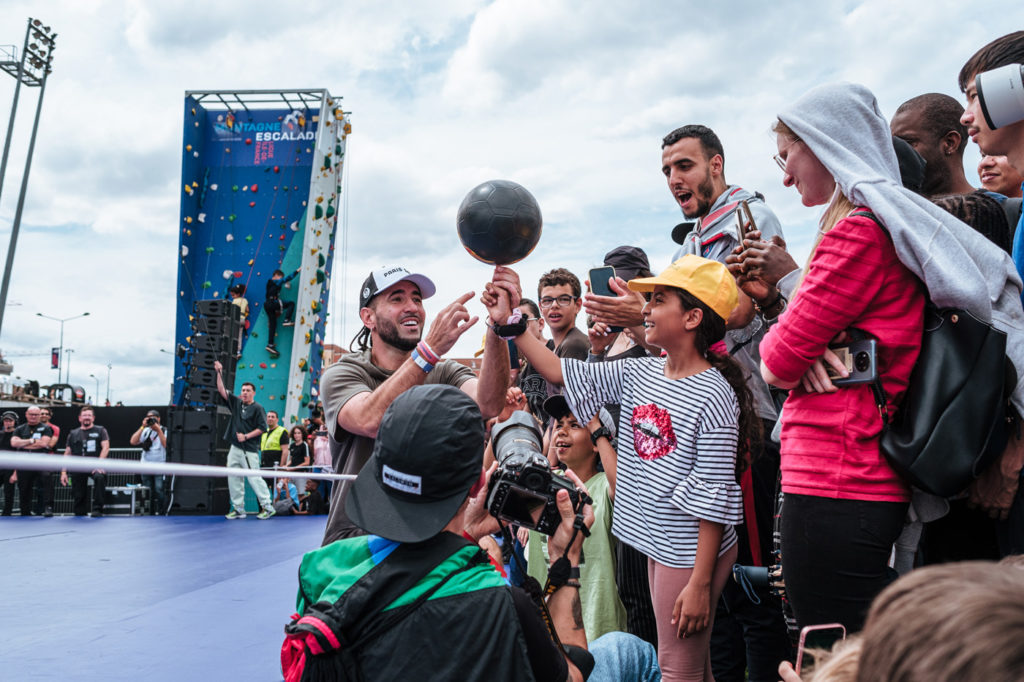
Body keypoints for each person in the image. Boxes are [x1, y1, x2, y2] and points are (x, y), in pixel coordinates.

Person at [486, 256, 759, 681]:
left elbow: (714, 496)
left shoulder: (713, 394)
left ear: (692, 317)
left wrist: (700, 583)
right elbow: (559, 369)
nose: (645, 308)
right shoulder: (643, 371)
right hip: (662, 542)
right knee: (694, 667)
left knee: (676, 670)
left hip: (688, 549)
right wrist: (515, 323)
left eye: (659, 299)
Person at [282, 383, 658, 682]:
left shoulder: (322, 570)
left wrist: (462, 534)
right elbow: (571, 675)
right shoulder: (504, 604)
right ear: (481, 481)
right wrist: (565, 563)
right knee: (628, 651)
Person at [652, 124, 792, 681]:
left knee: (753, 579)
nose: (674, 179)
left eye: (683, 166)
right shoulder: (690, 241)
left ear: (716, 164)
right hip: (704, 421)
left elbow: (747, 311)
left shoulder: (749, 217)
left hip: (749, 417)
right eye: (666, 170)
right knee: (713, 578)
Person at [319, 264, 509, 545]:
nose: (412, 307)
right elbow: (370, 420)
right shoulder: (343, 373)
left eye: (416, 299)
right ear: (367, 317)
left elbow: (489, 404)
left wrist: (499, 326)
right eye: (397, 298)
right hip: (357, 536)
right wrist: (428, 351)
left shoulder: (442, 371)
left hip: (430, 534)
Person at [525, 394, 627, 642]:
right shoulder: (540, 488)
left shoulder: (604, 487)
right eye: (558, 425)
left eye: (575, 425)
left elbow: (622, 488)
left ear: (596, 442)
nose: (562, 432)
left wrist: (596, 428)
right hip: (547, 632)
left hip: (598, 631)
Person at [213, 359, 274, 520]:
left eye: (248, 390)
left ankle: (267, 506)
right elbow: (221, 390)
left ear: (253, 393)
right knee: (233, 477)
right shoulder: (236, 403)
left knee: (254, 477)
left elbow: (263, 428)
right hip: (235, 447)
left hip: (249, 449)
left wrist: (246, 436)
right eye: (243, 390)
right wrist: (218, 372)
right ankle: (239, 508)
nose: (245, 392)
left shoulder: (258, 408)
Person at [890, 93, 977, 197]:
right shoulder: (890, 209)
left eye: (907, 142)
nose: (897, 151)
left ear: (950, 143)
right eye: (893, 144)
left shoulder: (995, 208)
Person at [60, 406, 110, 517]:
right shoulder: (73, 433)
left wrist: (99, 464)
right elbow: (67, 453)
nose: (86, 418)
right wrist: (63, 472)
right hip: (78, 466)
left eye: (89, 415)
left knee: (99, 477)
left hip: (96, 465)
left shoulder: (101, 430)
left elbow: (106, 447)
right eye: (84, 415)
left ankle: (98, 509)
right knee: (78, 490)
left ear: (93, 418)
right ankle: (79, 512)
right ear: (79, 418)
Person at [11, 406, 56, 517]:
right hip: (24, 462)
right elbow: (14, 443)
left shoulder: (46, 428)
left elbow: (44, 443)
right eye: (31, 414)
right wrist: (32, 440)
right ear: (26, 414)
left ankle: (48, 507)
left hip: (41, 460)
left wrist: (23, 443)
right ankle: (25, 511)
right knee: (24, 486)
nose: (33, 417)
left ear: (39, 415)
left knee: (47, 479)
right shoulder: (20, 429)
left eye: (36, 414)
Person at [129, 409, 168, 515]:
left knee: (159, 490)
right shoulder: (146, 431)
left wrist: (158, 430)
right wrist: (142, 427)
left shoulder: (164, 430)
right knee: (147, 491)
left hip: (160, 465)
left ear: (159, 418)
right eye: (148, 417)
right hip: (145, 465)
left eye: (153, 417)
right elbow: (133, 441)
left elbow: (166, 445)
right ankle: (149, 512)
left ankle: (162, 511)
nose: (151, 419)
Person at [264, 267, 299, 355]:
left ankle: (270, 344)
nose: (281, 279)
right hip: (272, 303)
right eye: (280, 277)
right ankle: (287, 319)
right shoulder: (276, 281)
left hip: (267, 304)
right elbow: (287, 278)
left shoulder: (269, 283)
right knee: (291, 304)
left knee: (273, 324)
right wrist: (297, 270)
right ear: (276, 276)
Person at [259, 410, 289, 489]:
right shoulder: (264, 432)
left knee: (276, 491)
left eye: (273, 417)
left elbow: (285, 451)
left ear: (277, 420)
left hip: (275, 467)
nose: (270, 419)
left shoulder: (282, 431)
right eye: (268, 417)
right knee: (261, 490)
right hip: (264, 467)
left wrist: (281, 467)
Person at [1, 411, 18, 516]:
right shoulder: (0, 434)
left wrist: (15, 473)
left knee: (8, 493)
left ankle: (7, 514)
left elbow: (19, 454)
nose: (7, 423)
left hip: (10, 469)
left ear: (15, 422)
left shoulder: (17, 435)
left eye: (10, 421)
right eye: (5, 421)